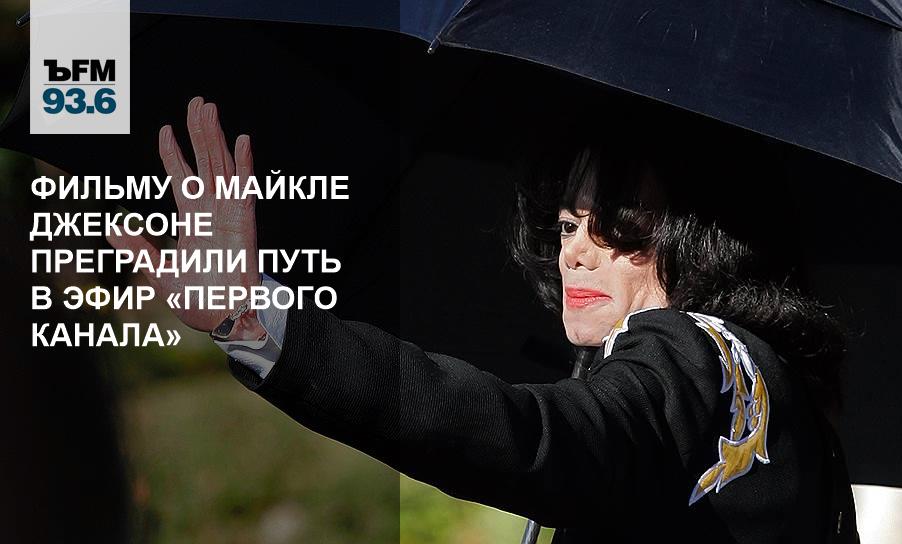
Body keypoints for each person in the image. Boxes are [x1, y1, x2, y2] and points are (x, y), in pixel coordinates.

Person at [108, 96, 860, 542]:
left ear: (702, 234)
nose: (576, 252)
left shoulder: (693, 348)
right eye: (567, 225)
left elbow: (527, 436)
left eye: (617, 223)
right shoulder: (782, 408)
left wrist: (256, 318)